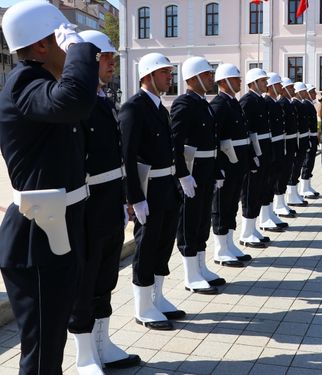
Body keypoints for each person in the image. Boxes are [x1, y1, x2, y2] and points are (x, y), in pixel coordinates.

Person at [0, 2, 98, 372]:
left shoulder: (40, 83)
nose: (69, 49)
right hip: (36, 242)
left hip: (53, 231)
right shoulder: (25, 82)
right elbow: (74, 100)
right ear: (42, 45)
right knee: (42, 351)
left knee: (51, 344)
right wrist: (80, 50)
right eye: (62, 40)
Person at [65, 30, 141, 372]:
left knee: (105, 278)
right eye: (104, 57)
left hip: (110, 203)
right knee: (85, 281)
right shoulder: (77, 106)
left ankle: (102, 343)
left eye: (111, 56)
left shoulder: (103, 99)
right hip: (88, 205)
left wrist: (125, 199)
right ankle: (84, 356)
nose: (112, 62)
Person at [121, 53, 184, 331]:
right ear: (148, 76)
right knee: (146, 247)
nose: (169, 78)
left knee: (163, 244)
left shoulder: (160, 108)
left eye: (170, 73)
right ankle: (143, 305)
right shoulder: (134, 108)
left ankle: (157, 297)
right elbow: (127, 157)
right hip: (148, 191)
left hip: (166, 187)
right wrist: (134, 197)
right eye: (164, 73)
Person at [170, 56, 224, 294]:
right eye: (207, 75)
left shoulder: (203, 103)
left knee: (202, 221)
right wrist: (182, 174)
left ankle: (201, 267)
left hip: (206, 170)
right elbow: (176, 143)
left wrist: (217, 169)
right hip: (192, 172)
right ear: (192, 78)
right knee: (189, 222)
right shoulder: (184, 103)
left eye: (211, 75)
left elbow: (213, 142)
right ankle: (190, 273)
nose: (211, 78)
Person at [209, 63, 255, 267]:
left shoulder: (233, 103)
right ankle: (220, 249)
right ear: (224, 81)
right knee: (221, 205)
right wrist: (217, 166)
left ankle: (229, 243)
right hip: (226, 165)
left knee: (231, 205)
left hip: (237, 163)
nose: (239, 82)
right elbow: (214, 139)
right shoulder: (219, 105)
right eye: (236, 79)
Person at [238, 68, 272, 248]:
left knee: (259, 190)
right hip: (254, 152)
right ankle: (245, 232)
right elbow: (246, 131)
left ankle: (252, 228)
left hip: (263, 150)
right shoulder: (247, 101)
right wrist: (252, 156)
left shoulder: (259, 100)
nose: (266, 84)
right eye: (262, 81)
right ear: (253, 83)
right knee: (250, 192)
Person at [258, 72, 290, 230]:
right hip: (269, 148)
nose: (280, 88)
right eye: (278, 85)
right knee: (267, 183)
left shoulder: (274, 102)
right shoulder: (266, 102)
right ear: (271, 86)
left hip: (277, 146)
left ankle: (270, 213)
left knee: (272, 181)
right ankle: (265, 217)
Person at [273, 77, 299, 218]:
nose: (292, 91)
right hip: (283, 142)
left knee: (287, 172)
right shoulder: (282, 103)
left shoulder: (287, 103)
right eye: (290, 88)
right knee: (281, 174)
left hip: (289, 142)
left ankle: (281, 202)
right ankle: (278, 204)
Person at [299, 83, 321, 198]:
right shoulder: (305, 105)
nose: (314, 94)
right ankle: (303, 188)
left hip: (312, 136)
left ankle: (307, 185)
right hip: (308, 137)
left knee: (311, 161)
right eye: (312, 92)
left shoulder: (310, 104)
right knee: (307, 162)